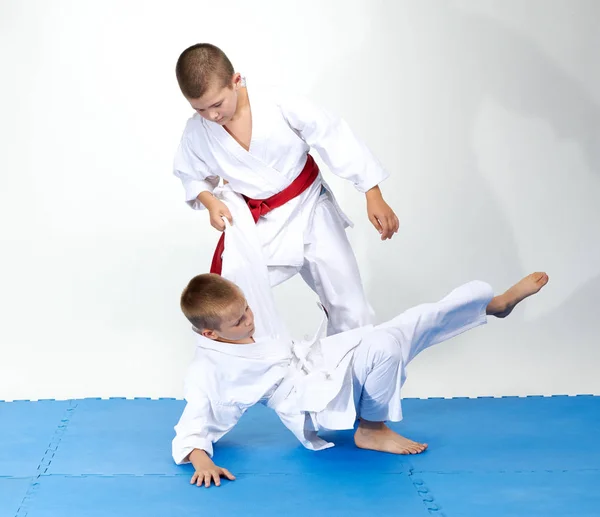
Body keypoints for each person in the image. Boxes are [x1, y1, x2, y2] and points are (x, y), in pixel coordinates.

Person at [171, 188, 549, 487]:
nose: (250, 320)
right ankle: (371, 429)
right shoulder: (208, 369)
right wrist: (202, 461)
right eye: (239, 322)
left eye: (247, 310)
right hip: (313, 402)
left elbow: (246, 253)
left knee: (406, 326)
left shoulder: (241, 312)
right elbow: (194, 422)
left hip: (322, 361)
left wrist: (223, 205)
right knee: (385, 347)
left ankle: (492, 305)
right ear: (210, 334)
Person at [173, 43, 400, 335]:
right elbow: (191, 174)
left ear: (236, 80)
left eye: (217, 105)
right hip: (261, 221)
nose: (212, 116)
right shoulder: (196, 131)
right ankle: (258, 363)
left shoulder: (277, 103)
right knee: (234, 294)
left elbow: (332, 134)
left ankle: (353, 366)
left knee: (349, 302)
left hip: (310, 207)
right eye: (200, 109)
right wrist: (209, 201)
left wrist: (372, 192)